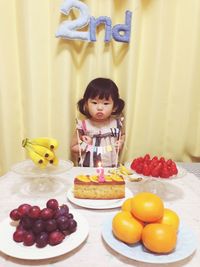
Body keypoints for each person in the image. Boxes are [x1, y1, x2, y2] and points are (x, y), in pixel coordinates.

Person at [71, 77, 125, 167]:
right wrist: (85, 145)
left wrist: (121, 142)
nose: (100, 108)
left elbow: (122, 135)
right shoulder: (83, 126)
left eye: (106, 103)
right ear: (86, 105)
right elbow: (73, 147)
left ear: (114, 107)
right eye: (94, 102)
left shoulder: (117, 124)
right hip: (88, 169)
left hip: (111, 169)